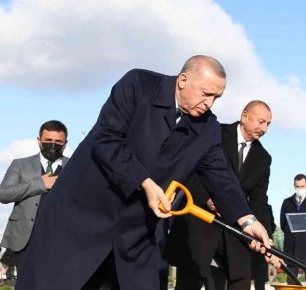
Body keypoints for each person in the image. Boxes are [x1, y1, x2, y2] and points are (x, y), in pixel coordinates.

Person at [16, 56, 271, 290]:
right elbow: (106, 140)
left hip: (134, 235)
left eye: (217, 97)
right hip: (79, 219)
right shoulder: (138, 85)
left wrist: (248, 220)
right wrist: (145, 183)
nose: (210, 103)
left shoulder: (207, 129)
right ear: (183, 80)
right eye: (206, 94)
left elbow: (221, 177)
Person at [165, 99, 274, 290]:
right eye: (261, 121)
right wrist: (207, 198)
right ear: (244, 116)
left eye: (268, 124)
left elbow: (259, 201)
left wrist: (265, 236)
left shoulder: (263, 158)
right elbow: (190, 170)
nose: (264, 128)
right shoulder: (215, 133)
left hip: (233, 229)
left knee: (241, 279)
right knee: (190, 280)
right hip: (199, 222)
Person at [0, 120, 70, 274]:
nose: (53, 145)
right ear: (39, 140)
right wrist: (40, 183)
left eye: (58, 141)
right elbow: (3, 194)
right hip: (24, 240)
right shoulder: (20, 165)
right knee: (25, 282)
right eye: (48, 140)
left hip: (62, 239)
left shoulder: (74, 166)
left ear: (65, 143)